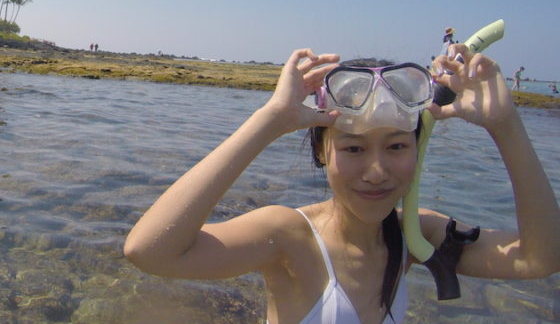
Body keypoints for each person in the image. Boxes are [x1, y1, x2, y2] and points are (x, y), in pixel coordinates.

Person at [125, 46, 559, 324]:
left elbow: (538, 260)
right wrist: (269, 121)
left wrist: (506, 125)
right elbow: (150, 251)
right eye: (353, 149)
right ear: (322, 152)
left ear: (418, 150)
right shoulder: (287, 235)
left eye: (395, 147)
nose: (376, 171)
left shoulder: (416, 236)